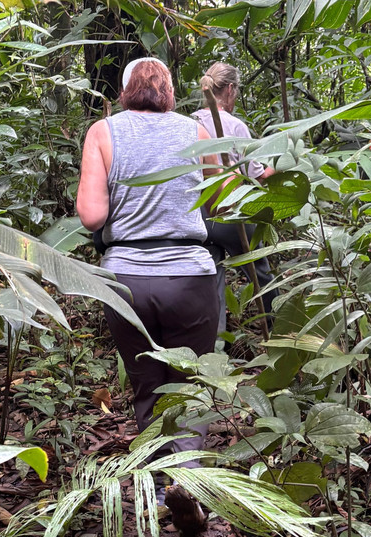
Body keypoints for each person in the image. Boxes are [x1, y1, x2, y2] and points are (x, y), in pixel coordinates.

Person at [76, 57, 220, 477]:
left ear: (124, 91)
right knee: (190, 386)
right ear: (169, 90)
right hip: (190, 277)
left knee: (148, 386)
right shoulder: (196, 131)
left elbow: (91, 217)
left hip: (127, 282)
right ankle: (189, 481)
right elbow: (220, 202)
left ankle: (158, 483)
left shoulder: (103, 132)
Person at [192, 61, 277, 338]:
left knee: (212, 273)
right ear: (229, 89)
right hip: (231, 213)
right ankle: (275, 329)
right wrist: (280, 165)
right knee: (259, 270)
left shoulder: (189, 121)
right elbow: (256, 175)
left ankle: (214, 339)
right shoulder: (236, 126)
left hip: (199, 216)